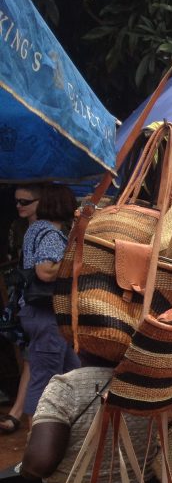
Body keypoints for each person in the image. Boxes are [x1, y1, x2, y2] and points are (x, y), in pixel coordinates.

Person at [0, 354, 159, 483]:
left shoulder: (66, 386)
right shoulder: (147, 386)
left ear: (77, 340)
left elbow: (38, 464)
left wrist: (25, 470)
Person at [0, 184, 80, 434]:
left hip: (43, 315)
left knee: (74, 373)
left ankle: (67, 433)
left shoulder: (36, 229)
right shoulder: (49, 233)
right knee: (44, 378)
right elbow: (45, 271)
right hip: (47, 315)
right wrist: (75, 263)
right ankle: (38, 442)